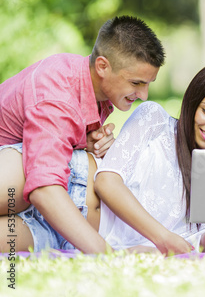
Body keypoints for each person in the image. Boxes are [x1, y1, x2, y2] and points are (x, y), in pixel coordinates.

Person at [0, 62, 205, 254]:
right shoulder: (155, 119)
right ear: (192, 103)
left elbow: (196, 245)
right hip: (71, 178)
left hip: (69, 236)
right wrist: (161, 237)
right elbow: (106, 182)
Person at [0, 15, 165, 254]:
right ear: (102, 66)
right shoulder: (57, 95)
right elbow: (44, 188)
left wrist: (84, 142)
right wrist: (108, 257)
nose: (144, 95)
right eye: (136, 83)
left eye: (148, 83)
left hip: (41, 207)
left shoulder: (96, 88)